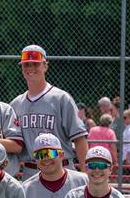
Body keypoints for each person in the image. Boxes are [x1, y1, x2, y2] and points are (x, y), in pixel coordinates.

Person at [9, 45, 88, 178]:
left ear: (45, 66)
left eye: (35, 64)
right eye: (26, 65)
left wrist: (87, 175)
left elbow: (79, 139)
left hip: (62, 170)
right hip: (31, 172)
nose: (30, 68)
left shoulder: (61, 98)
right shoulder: (16, 104)